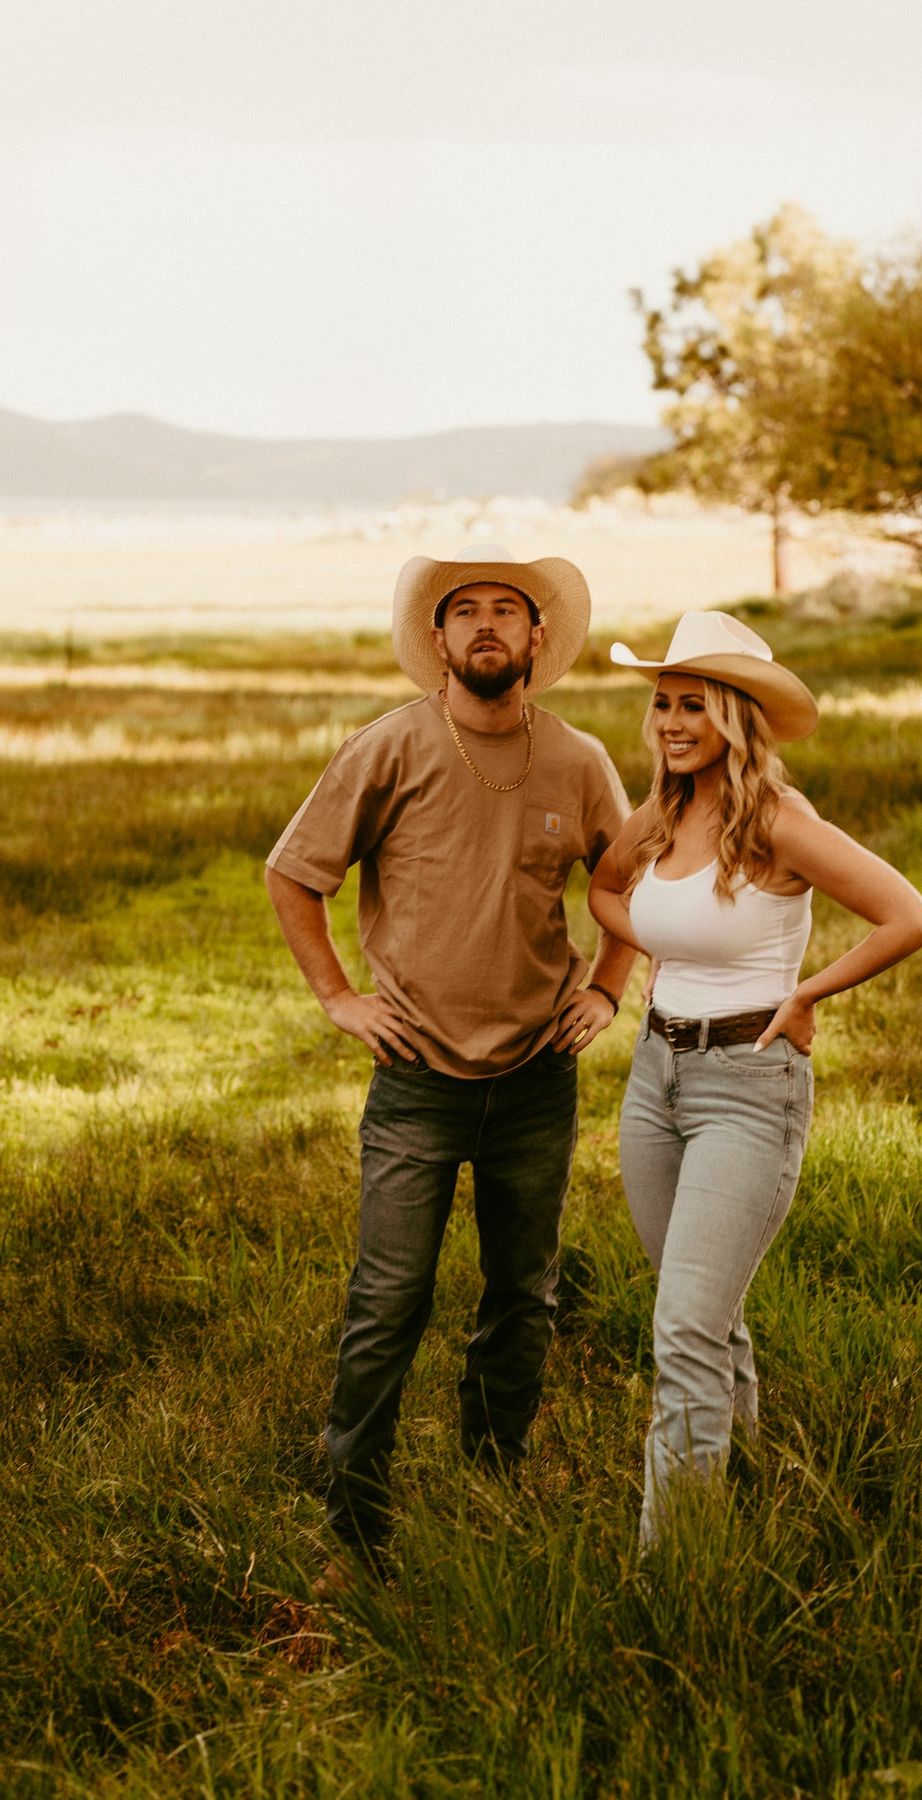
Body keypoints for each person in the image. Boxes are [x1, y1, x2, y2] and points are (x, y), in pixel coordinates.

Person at [266, 543, 636, 1589]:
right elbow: (295, 875)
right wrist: (340, 998)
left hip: (534, 1079)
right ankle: (354, 1516)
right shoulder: (387, 748)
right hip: (418, 1079)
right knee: (391, 1295)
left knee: (523, 1292)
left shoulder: (578, 761)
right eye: (462, 611)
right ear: (438, 639)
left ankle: (493, 1479)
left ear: (535, 637)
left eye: (504, 612)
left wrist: (607, 988)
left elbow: (624, 886)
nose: (483, 627)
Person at [588, 610, 922, 1546]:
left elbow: (909, 915)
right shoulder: (661, 814)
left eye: (692, 704)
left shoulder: (780, 822)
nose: (670, 721)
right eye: (662, 703)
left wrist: (810, 992)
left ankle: (674, 1567)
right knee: (700, 1316)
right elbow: (601, 888)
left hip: (749, 1081)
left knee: (685, 1336)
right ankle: (738, 1498)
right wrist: (651, 944)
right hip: (655, 1076)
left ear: (735, 715)